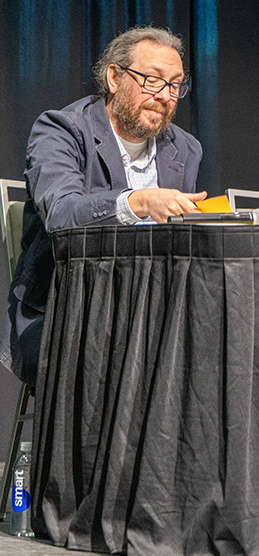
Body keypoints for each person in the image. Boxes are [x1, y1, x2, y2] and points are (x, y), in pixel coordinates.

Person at [3, 26, 205, 384]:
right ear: (114, 76)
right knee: (138, 362)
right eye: (153, 80)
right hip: (62, 312)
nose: (165, 96)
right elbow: (63, 215)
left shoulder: (185, 148)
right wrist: (137, 201)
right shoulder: (61, 130)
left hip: (153, 310)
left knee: (218, 348)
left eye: (175, 85)